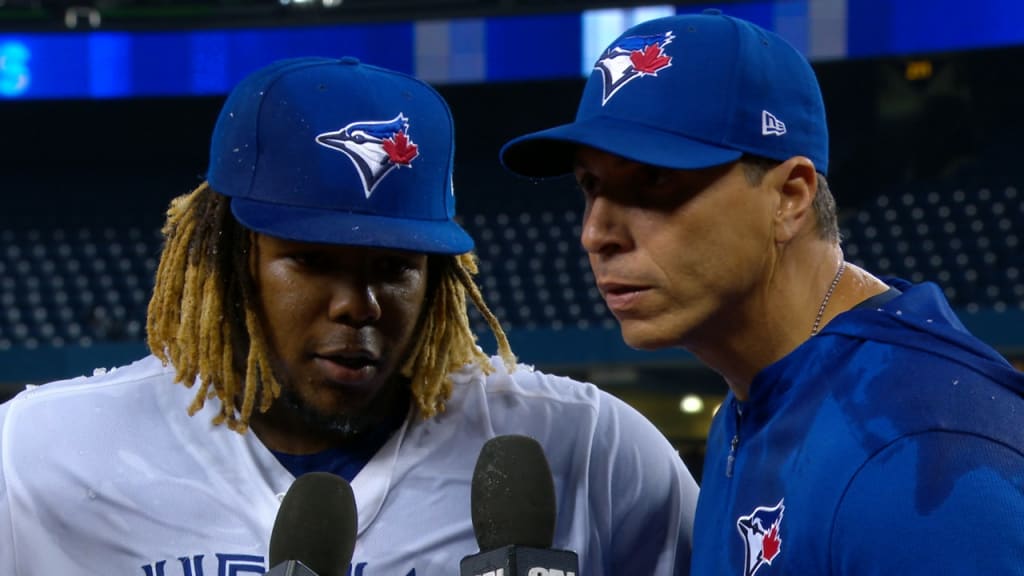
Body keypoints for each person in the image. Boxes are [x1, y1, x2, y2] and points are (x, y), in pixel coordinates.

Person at [0, 57, 699, 575]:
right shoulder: (40, 453)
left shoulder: (588, 448)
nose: (356, 305)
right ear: (229, 257)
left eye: (395, 268)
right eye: (310, 260)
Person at [500, 11, 1024, 575]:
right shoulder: (762, 394)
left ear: (790, 197)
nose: (595, 234)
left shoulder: (923, 456)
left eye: (653, 180)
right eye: (591, 187)